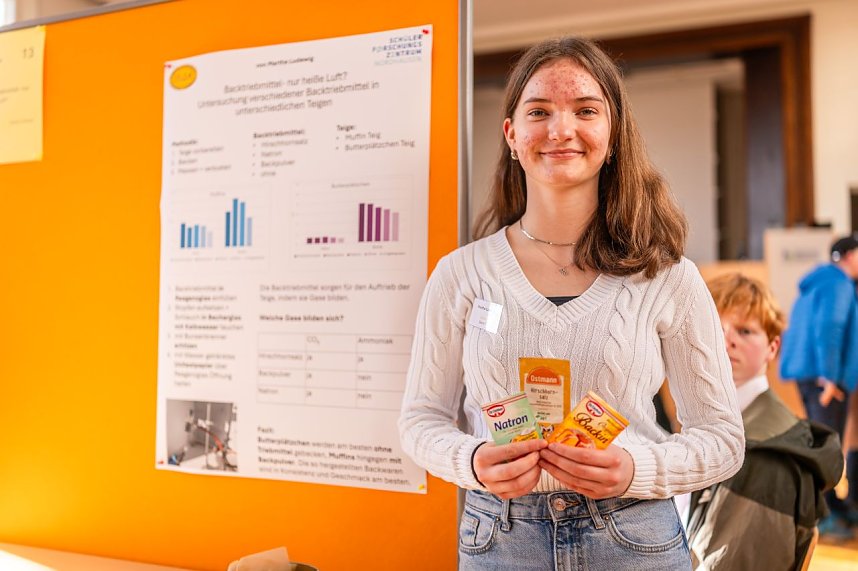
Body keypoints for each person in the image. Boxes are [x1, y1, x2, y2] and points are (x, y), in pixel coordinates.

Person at [399, 36, 744, 570]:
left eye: (586, 110)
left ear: (612, 132)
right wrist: (471, 460)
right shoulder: (461, 274)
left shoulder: (668, 276)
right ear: (512, 134)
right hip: (500, 539)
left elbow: (723, 439)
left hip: (633, 537)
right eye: (539, 111)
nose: (561, 130)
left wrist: (636, 468)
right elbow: (420, 419)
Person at [685, 273, 842, 570]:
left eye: (744, 331)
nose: (727, 340)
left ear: (772, 347)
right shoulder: (709, 423)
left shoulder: (765, 460)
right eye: (714, 328)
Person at [780, 235, 858, 538]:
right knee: (826, 445)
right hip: (824, 377)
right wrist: (829, 378)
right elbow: (830, 329)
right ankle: (821, 514)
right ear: (850, 256)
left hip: (811, 374)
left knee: (825, 442)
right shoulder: (838, 283)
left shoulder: (822, 281)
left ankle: (830, 505)